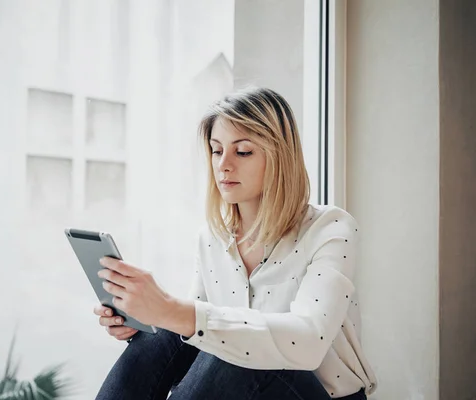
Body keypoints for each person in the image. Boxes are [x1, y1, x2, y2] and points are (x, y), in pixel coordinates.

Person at [93, 87, 377, 399]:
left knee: (243, 350)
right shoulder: (211, 237)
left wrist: (173, 311)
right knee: (164, 336)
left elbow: (308, 341)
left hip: (319, 395)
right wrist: (149, 315)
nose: (223, 165)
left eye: (242, 152)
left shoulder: (331, 229)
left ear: (279, 156)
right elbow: (194, 338)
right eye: (217, 151)